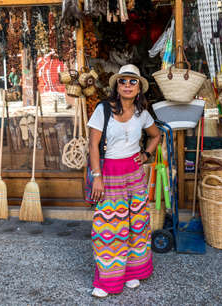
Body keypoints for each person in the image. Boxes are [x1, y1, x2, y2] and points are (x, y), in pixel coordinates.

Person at [87, 64, 161, 298]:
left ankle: (131, 272)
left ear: (139, 88)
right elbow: (93, 145)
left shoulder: (142, 114)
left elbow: (156, 134)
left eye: (133, 82)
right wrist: (97, 176)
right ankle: (107, 281)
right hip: (109, 173)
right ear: (116, 86)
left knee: (136, 224)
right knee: (109, 226)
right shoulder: (103, 110)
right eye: (123, 81)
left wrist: (146, 154)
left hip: (134, 174)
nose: (127, 85)